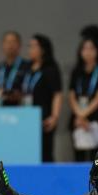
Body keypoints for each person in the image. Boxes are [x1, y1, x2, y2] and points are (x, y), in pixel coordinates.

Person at [22, 34, 62, 163]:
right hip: (27, 115)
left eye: (34, 46)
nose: (30, 49)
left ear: (43, 49)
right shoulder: (27, 68)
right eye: (29, 46)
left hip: (44, 116)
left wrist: (54, 116)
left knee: (44, 151)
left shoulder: (50, 69)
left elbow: (57, 94)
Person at [0, 31, 28, 107]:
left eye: (13, 42)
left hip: (21, 109)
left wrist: (15, 96)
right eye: (7, 42)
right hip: (0, 109)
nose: (10, 45)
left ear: (19, 45)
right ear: (2, 45)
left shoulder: (27, 66)